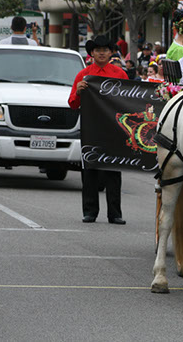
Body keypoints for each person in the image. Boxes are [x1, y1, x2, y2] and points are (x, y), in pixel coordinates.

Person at [68, 35, 128, 225]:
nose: (101, 52)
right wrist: (78, 91)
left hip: (113, 128)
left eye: (105, 49)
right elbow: (72, 104)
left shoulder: (120, 74)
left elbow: (128, 102)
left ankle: (115, 214)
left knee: (113, 172)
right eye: (97, 50)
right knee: (90, 173)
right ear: (92, 53)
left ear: (111, 53)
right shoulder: (83, 75)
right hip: (91, 128)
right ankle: (90, 212)